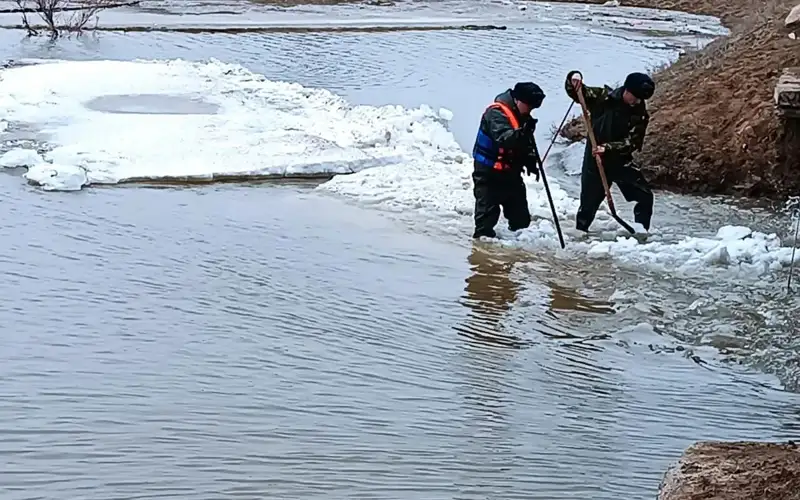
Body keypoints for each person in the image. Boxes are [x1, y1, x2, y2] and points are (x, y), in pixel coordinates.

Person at [565, 70, 655, 233]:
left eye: (640, 99)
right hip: (595, 159)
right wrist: (573, 79)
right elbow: (579, 93)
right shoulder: (603, 98)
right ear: (626, 90)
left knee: (645, 196)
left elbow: (632, 142)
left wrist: (608, 148)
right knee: (588, 204)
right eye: (634, 97)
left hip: (620, 160)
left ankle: (641, 232)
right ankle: (580, 234)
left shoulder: (640, 114)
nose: (637, 102)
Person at [471, 82, 546, 239]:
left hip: (510, 174)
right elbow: (505, 139)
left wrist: (530, 162)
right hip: (488, 174)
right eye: (529, 106)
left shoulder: (523, 117)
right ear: (518, 100)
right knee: (484, 228)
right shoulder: (496, 114)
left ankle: (516, 257)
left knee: (521, 222)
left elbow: (523, 146)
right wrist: (522, 133)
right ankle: (483, 260)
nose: (530, 111)